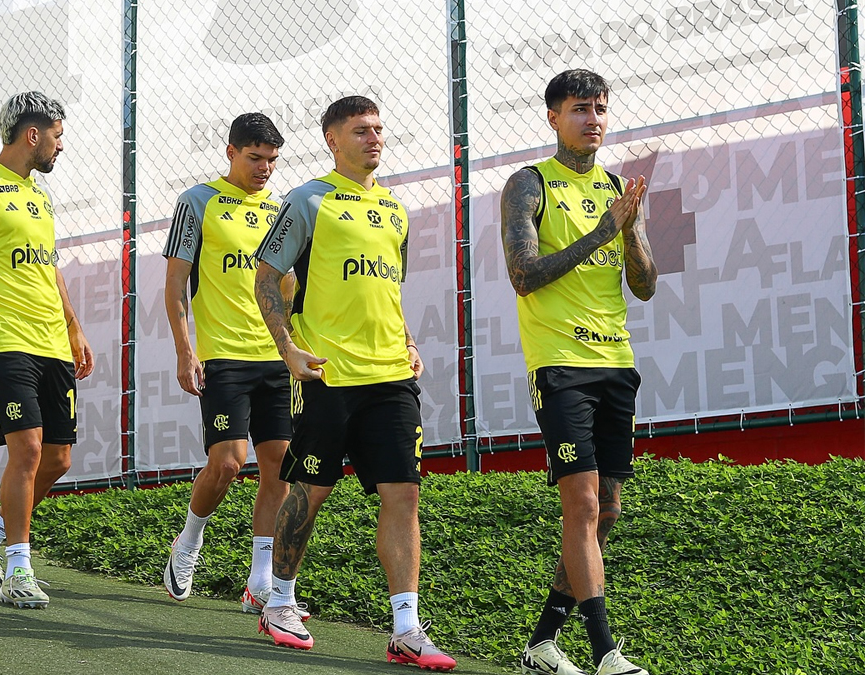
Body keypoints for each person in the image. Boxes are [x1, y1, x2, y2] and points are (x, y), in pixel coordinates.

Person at [252, 95, 456, 671]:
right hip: (328, 375)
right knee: (310, 491)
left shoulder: (395, 210)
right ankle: (281, 601)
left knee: (404, 494)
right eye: (361, 130)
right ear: (332, 140)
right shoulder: (307, 200)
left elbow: (388, 291)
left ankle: (406, 629)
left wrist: (409, 341)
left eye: (379, 128)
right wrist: (287, 348)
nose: (374, 138)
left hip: (391, 376)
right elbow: (267, 278)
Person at [500, 69, 655, 675]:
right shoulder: (529, 185)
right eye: (579, 109)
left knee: (608, 509)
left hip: (616, 361)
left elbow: (644, 287)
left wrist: (631, 231)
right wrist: (600, 233)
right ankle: (605, 653)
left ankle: (541, 644)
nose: (592, 119)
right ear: (553, 118)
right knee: (584, 505)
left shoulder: (619, 189)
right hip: (560, 365)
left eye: (599, 108)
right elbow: (524, 274)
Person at [0, 91, 94, 609]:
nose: (59, 146)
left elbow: (49, 267)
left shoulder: (40, 197)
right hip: (3, 342)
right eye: (57, 135)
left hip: (51, 340)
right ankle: (19, 568)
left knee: (59, 458)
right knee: (26, 450)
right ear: (33, 134)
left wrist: (73, 329)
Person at [159, 113, 308, 617]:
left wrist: (293, 344)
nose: (264, 168)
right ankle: (189, 540)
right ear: (230, 152)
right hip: (223, 356)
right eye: (254, 158)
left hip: (276, 357)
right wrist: (185, 349)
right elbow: (176, 284)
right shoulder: (197, 201)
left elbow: (287, 285)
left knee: (280, 468)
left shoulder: (283, 210)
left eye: (271, 160)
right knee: (226, 462)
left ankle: (259, 582)